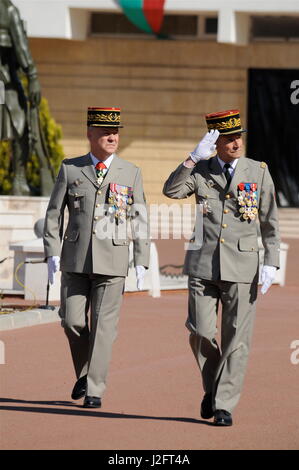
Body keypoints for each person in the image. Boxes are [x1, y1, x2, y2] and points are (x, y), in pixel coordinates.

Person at [163, 109, 280, 426]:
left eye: (238, 136)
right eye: (228, 138)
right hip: (203, 265)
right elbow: (171, 191)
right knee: (200, 331)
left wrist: (271, 263)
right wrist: (190, 158)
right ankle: (213, 388)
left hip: (243, 267)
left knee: (236, 340)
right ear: (215, 142)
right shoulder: (200, 170)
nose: (235, 143)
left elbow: (269, 223)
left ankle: (224, 404)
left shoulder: (257, 172)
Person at [43, 107, 150, 408]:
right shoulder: (71, 169)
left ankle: (94, 390)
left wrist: (141, 258)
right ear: (90, 134)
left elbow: (140, 218)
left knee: (103, 327)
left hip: (113, 260)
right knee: (72, 322)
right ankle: (87, 373)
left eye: (115, 132)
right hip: (75, 259)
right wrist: (51, 252)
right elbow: (54, 215)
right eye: (105, 132)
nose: (112, 136)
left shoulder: (131, 173)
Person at [0, 0, 53, 195]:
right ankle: (19, 179)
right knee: (20, 123)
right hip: (4, 80)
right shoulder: (8, 10)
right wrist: (32, 77)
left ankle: (19, 182)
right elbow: (21, 48)